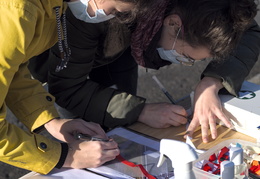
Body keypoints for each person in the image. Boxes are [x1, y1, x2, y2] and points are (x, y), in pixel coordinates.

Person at [29, 0, 259, 143]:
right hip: (63, 54)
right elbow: (67, 86)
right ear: (173, 24)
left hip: (120, 45)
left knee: (119, 130)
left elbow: (247, 30)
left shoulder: (210, 8)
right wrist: (139, 111)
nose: (184, 63)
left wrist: (211, 82)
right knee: (86, 137)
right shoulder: (94, 12)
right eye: (187, 57)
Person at [0, 0, 157, 174]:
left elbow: (13, 68)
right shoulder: (17, 13)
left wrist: (49, 121)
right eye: (114, 10)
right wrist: (66, 156)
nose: (111, 18)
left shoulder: (50, 6)